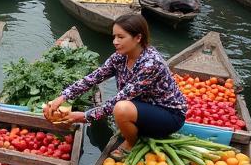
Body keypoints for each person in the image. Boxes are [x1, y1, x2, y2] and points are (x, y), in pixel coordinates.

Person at [44, 13, 187, 152]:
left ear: (138, 37)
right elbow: (93, 78)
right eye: (114, 37)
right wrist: (63, 97)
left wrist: (82, 117)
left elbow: (117, 102)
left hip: (169, 115)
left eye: (121, 37)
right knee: (120, 109)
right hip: (142, 109)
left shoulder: (150, 64)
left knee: (120, 109)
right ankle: (135, 130)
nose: (115, 41)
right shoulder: (120, 57)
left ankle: (131, 144)